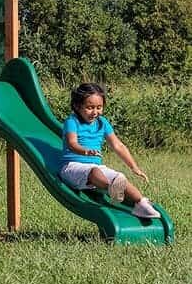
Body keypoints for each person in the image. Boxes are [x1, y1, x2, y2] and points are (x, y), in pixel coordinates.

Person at [58, 82, 160, 218]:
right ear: (77, 106)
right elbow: (72, 143)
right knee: (94, 172)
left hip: (96, 167)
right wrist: (85, 151)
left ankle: (141, 204)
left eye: (99, 107)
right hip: (72, 168)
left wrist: (134, 167)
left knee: (120, 177)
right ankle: (111, 189)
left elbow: (118, 145)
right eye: (89, 107)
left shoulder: (103, 123)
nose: (95, 112)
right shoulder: (72, 121)